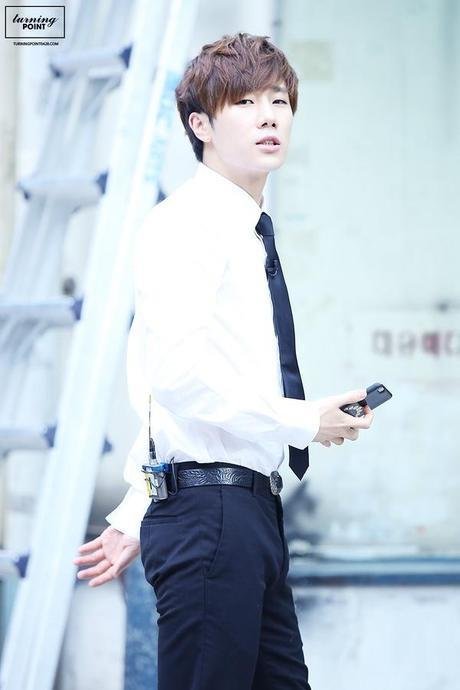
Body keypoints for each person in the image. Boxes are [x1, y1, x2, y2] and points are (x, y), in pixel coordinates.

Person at [74, 32, 374, 690]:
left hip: (246, 513)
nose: (269, 116)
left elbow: (173, 389)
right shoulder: (188, 225)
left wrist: (138, 507)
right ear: (200, 125)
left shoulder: (244, 232)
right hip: (213, 518)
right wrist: (303, 420)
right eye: (244, 102)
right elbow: (176, 379)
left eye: (279, 100)